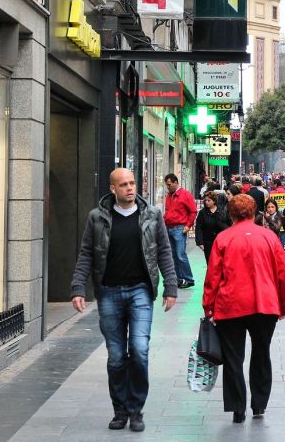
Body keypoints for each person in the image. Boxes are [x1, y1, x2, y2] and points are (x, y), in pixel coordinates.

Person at [70, 168, 178, 432]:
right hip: (109, 292)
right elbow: (86, 254)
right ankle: (120, 410)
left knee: (139, 351)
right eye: (124, 184)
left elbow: (163, 251)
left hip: (141, 290)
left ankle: (136, 409)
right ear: (113, 189)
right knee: (117, 356)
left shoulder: (152, 215)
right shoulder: (97, 218)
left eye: (132, 183)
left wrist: (171, 286)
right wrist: (78, 287)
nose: (130, 188)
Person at [203, 194, 285, 423]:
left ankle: (237, 407)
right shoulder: (270, 238)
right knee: (262, 352)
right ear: (254, 213)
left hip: (231, 303)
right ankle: (259, 403)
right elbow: (284, 274)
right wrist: (283, 304)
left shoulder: (223, 239)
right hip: (265, 304)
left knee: (233, 357)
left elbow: (213, 276)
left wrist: (208, 307)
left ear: (230, 214)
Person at [163, 173, 197, 289]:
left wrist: (188, 226)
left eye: (169, 184)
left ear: (175, 183)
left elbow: (193, 211)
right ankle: (178, 279)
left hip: (179, 228)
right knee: (173, 255)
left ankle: (188, 278)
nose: (168, 187)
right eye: (167, 185)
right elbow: (168, 211)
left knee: (180, 254)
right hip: (169, 227)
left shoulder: (185, 195)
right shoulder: (169, 195)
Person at [195, 190, 231, 264]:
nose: (206, 202)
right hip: (207, 242)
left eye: (209, 200)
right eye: (205, 200)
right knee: (210, 262)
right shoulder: (202, 212)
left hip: (220, 242)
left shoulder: (222, 211)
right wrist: (200, 242)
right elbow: (198, 227)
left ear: (214, 201)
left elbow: (227, 225)